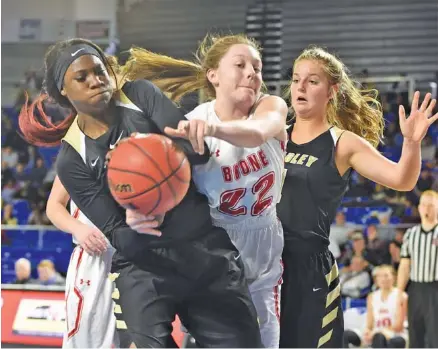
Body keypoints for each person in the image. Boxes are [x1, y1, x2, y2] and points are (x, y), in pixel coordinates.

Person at [18, 38, 262, 348]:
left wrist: (149, 152)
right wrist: (132, 215)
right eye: (82, 77)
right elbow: (119, 236)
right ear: (64, 91)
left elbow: (196, 153)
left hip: (202, 245)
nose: (96, 80)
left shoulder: (139, 94)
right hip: (144, 265)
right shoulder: (72, 159)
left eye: (99, 70)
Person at [124, 33, 288, 347]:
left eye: (257, 66)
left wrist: (214, 130)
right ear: (213, 75)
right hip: (211, 244)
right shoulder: (191, 123)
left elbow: (255, 134)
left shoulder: (271, 106)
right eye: (240, 65)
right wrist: (137, 211)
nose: (252, 73)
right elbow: (160, 187)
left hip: (262, 242)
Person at [277, 46, 437, 348]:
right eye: (296, 79)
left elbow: (402, 180)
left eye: (312, 81)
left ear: (331, 91)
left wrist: (412, 143)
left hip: (309, 271)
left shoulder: (342, 143)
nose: (300, 87)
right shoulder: (274, 135)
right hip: (268, 265)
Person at [397, 190, 438, 348]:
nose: (427, 209)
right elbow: (404, 265)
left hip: (435, 287)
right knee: (415, 332)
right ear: (419, 208)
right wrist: (400, 291)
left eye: (431, 205)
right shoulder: (411, 234)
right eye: (424, 205)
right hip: (415, 289)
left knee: (435, 334)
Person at [344, 265, 408, 348]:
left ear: (394, 277)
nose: (383, 279)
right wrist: (367, 331)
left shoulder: (401, 295)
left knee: (379, 337)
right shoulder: (371, 296)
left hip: (395, 333)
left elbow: (399, 326)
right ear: (376, 279)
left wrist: (379, 332)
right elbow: (370, 324)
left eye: (386, 275)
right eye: (379, 276)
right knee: (345, 335)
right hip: (375, 332)